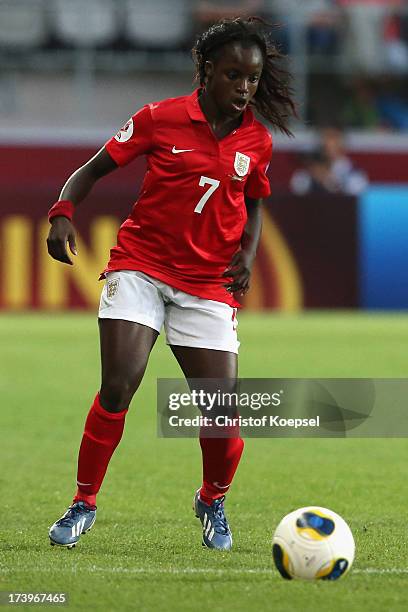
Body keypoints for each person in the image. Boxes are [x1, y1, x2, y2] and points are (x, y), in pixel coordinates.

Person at [46, 16, 296, 552]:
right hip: (141, 265)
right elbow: (91, 169)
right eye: (233, 75)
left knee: (220, 411)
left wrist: (247, 256)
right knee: (119, 384)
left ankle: (212, 498)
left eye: (251, 79)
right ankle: (83, 502)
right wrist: (63, 210)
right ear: (206, 72)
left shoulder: (256, 139)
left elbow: (252, 203)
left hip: (207, 284)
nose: (244, 88)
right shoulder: (160, 118)